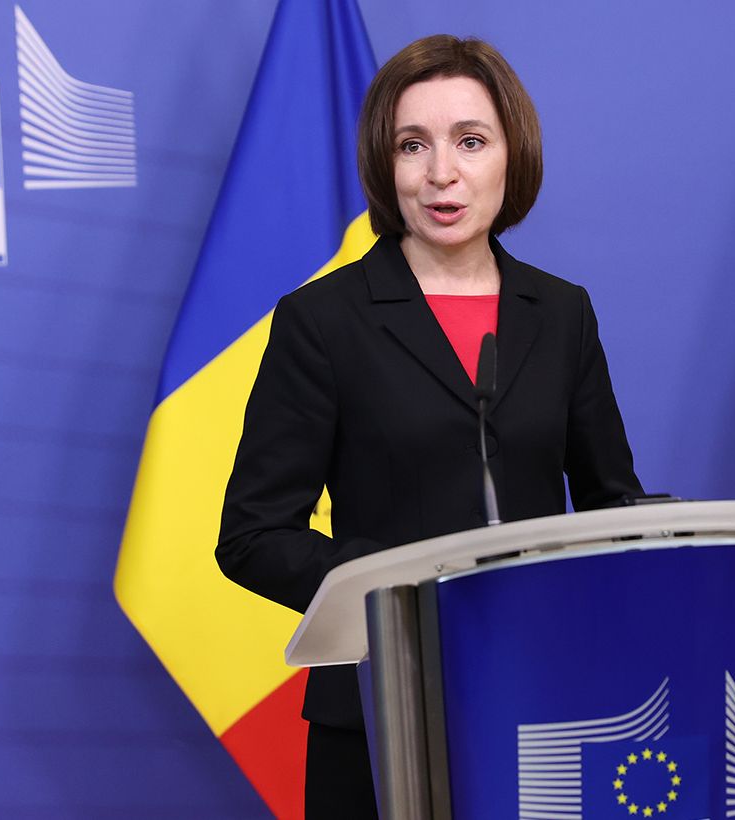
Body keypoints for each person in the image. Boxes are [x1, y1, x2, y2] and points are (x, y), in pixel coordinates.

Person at [216, 34, 643, 817]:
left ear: (512, 156)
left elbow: (611, 502)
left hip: (541, 699)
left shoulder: (562, 313)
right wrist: (393, 589)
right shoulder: (323, 320)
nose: (441, 172)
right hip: (378, 705)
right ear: (385, 166)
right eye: (412, 145)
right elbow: (252, 535)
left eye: (470, 141)